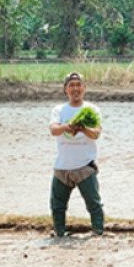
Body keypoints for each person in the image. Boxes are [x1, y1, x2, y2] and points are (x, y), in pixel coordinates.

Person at [48, 72, 104, 237]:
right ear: (65, 89)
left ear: (84, 88)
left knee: (93, 203)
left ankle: (98, 231)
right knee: (57, 205)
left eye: (78, 85)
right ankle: (59, 232)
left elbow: (96, 134)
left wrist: (82, 128)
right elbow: (53, 130)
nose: (75, 89)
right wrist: (68, 126)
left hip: (85, 166)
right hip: (62, 166)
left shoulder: (92, 109)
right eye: (71, 85)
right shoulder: (59, 110)